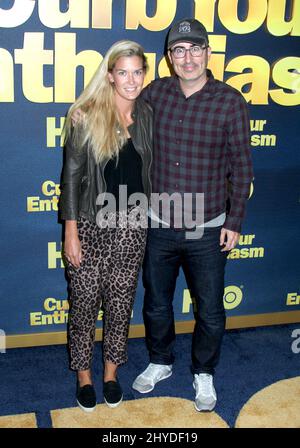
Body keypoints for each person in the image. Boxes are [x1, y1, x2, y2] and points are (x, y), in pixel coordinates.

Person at [132, 18, 254, 412]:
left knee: (211, 309)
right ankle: (160, 360)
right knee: (155, 303)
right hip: (159, 224)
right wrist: (84, 115)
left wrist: (234, 222)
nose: (188, 57)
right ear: (169, 57)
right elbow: (117, 110)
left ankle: (204, 371)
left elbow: (242, 168)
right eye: (179, 50)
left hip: (208, 229)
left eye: (195, 48)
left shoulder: (230, 100)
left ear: (207, 52)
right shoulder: (155, 93)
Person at [59, 40, 152, 412]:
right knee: (82, 306)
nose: (131, 80)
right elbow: (70, 179)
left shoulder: (148, 114)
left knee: (120, 305)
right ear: (110, 76)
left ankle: (111, 374)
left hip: (132, 225)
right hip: (90, 224)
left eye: (137, 72)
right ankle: (84, 376)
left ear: (145, 74)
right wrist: (71, 232)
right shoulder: (86, 115)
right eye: (123, 72)